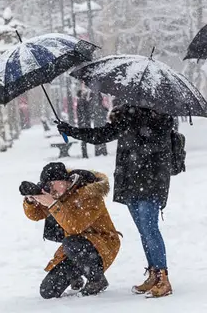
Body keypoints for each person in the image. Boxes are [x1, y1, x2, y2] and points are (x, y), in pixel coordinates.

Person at [58, 105, 174, 297]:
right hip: (130, 183)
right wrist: (71, 130)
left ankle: (164, 278)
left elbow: (158, 148)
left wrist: (142, 129)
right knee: (143, 231)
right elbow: (100, 135)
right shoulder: (126, 115)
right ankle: (154, 273)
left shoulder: (160, 119)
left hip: (151, 183)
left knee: (150, 228)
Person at [22, 163, 121, 299]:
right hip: (74, 250)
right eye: (47, 186)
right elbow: (35, 215)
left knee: (71, 242)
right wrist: (31, 200)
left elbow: (75, 227)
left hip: (102, 244)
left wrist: (52, 203)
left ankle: (96, 280)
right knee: (48, 291)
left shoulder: (89, 193)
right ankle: (76, 274)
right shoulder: (58, 194)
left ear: (64, 180)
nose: (50, 190)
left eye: (52, 185)